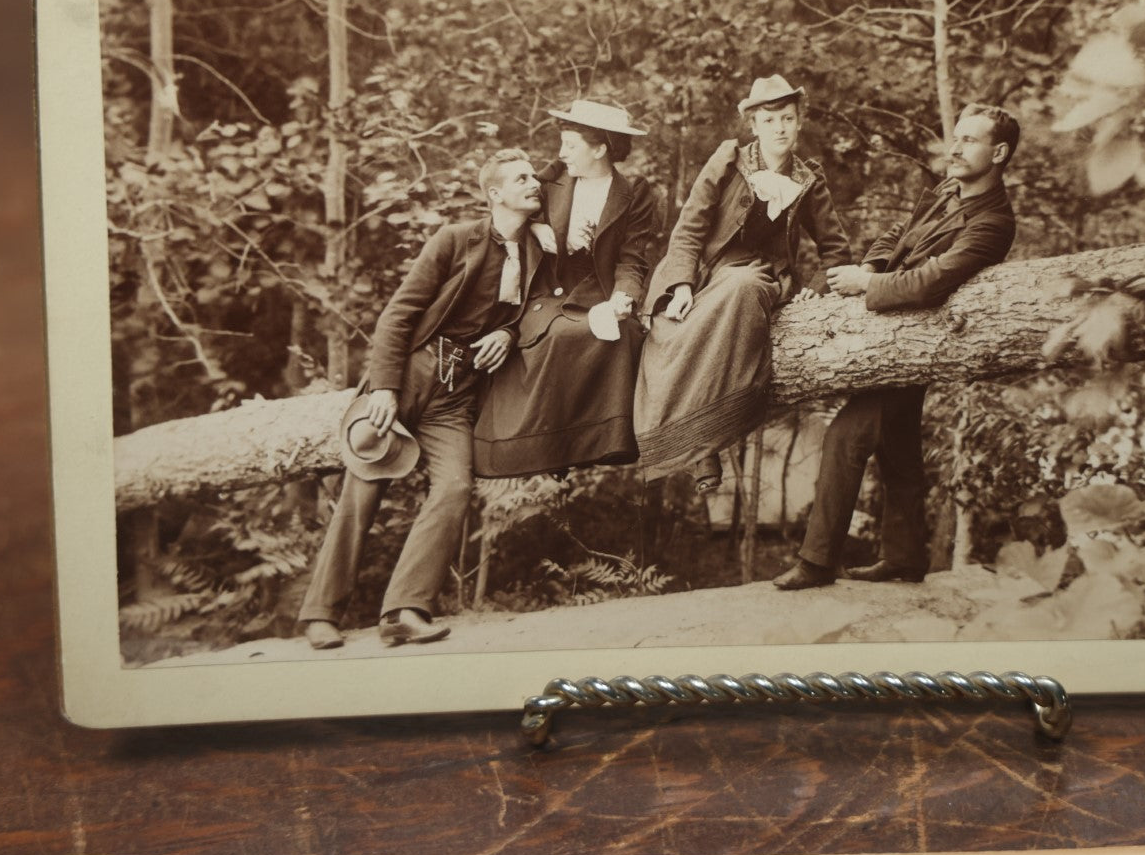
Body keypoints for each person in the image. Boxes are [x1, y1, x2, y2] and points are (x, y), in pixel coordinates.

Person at [297, 148, 553, 649]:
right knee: (365, 486)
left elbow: (539, 310)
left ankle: (404, 610)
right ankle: (321, 613)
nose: (534, 183)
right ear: (494, 193)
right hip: (412, 373)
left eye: (535, 177)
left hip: (456, 396)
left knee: (455, 487)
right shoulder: (455, 239)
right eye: (521, 178)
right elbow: (396, 316)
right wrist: (387, 389)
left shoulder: (538, 252)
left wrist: (510, 334)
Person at [773, 102, 1020, 591]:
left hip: (920, 340)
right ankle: (906, 556)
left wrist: (868, 287)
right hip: (891, 335)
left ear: (1000, 152)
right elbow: (897, 235)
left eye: (969, 140)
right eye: (957, 137)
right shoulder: (948, 189)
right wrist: (870, 268)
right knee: (899, 444)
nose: (955, 147)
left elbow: (932, 282)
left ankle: (818, 562)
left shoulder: (994, 223)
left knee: (847, 435)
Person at [634, 74, 853, 491]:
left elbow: (836, 249)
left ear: (799, 122)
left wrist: (818, 288)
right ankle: (696, 447)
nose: (780, 128)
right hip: (706, 273)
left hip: (763, 274)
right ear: (753, 126)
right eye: (769, 121)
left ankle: (706, 438)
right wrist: (680, 284)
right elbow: (689, 229)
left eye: (787, 118)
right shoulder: (728, 161)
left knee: (741, 289)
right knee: (668, 330)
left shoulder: (808, 180)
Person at [473, 100, 659, 477]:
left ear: (600, 148)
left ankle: (602, 446)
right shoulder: (550, 181)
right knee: (561, 336)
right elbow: (512, 205)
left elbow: (633, 256)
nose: (562, 153)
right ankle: (547, 451)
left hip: (599, 290)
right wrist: (534, 225)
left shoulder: (634, 192)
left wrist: (625, 294)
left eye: (571, 145)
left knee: (621, 336)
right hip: (552, 290)